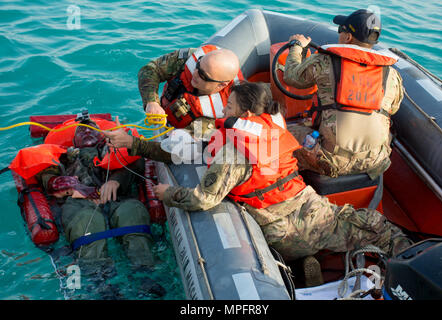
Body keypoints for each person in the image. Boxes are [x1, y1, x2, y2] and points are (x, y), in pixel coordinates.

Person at [105, 82, 411, 287]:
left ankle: (298, 268)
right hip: (313, 213)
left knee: (309, 241)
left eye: (229, 107)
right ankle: (407, 270)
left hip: (281, 233)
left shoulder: (232, 153)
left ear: (246, 113)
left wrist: (167, 193)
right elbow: (312, 163)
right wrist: (136, 143)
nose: (224, 111)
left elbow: (202, 199)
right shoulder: (279, 130)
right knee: (377, 226)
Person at [35, 116, 165, 298]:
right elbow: (49, 181)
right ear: (73, 139)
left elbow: (137, 162)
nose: (87, 131)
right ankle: (101, 282)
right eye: (81, 129)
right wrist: (77, 187)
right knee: (89, 224)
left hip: (117, 198)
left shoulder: (114, 148)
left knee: (132, 213)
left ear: (101, 133)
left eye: (92, 128)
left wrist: (115, 181)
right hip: (79, 205)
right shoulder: (61, 157)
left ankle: (145, 272)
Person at [283, 9, 404, 179]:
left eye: (341, 31)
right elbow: (393, 107)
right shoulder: (391, 74)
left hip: (330, 160)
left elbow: (291, 77)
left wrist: (296, 46)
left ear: (348, 37)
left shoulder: (324, 61)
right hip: (374, 161)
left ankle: (283, 187)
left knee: (278, 133)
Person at [138, 45, 243, 138]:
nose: (195, 73)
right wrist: (151, 102)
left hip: (185, 140)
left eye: (203, 76)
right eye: (198, 66)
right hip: (161, 115)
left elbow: (185, 147)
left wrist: (134, 144)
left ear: (221, 84)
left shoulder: (225, 110)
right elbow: (150, 70)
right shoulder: (191, 59)